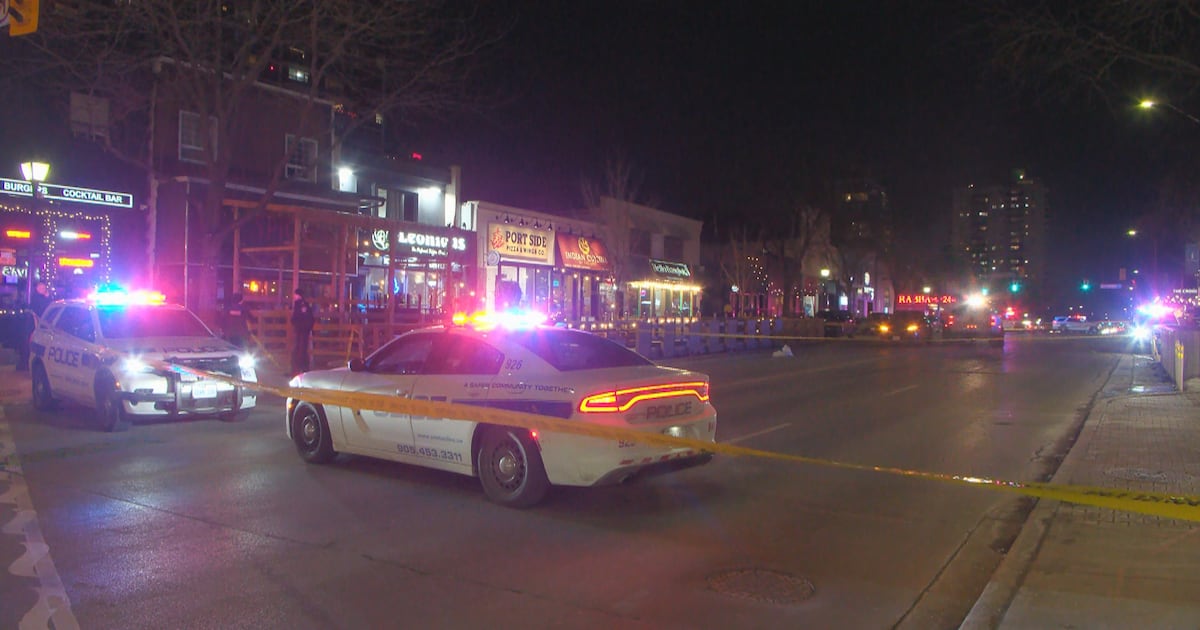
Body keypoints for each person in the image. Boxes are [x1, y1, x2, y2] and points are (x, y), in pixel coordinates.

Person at [18, 282, 51, 371]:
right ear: (38, 288)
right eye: (43, 288)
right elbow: (43, 310)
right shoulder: (38, 299)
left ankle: (25, 364)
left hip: (33, 326)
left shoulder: (36, 298)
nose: (44, 290)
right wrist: (47, 298)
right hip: (35, 326)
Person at [290, 288, 315, 376]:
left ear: (298, 295)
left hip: (301, 330)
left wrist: (294, 322)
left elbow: (299, 316)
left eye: (295, 294)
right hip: (302, 329)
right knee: (301, 349)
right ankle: (301, 368)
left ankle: (300, 368)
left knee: (300, 349)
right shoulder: (302, 304)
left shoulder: (300, 304)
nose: (294, 296)